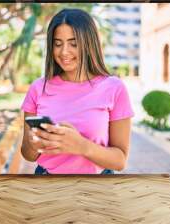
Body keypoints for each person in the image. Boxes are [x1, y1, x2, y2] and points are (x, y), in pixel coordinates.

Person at [20, 8, 134, 174]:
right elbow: (28, 155)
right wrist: (33, 144)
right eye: (58, 44)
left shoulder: (114, 88)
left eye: (73, 44)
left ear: (89, 44)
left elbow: (120, 161)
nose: (64, 52)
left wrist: (81, 146)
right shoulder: (38, 88)